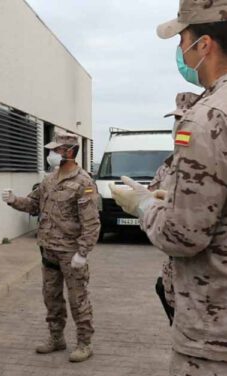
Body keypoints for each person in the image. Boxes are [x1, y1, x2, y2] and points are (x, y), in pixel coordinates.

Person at [111, 1, 227, 374]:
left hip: (213, 332)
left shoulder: (208, 116)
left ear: (204, 45)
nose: (180, 50)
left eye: (182, 39)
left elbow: (183, 236)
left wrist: (144, 205)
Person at [2, 131, 100, 362]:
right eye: (51, 150)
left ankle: (85, 343)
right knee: (51, 297)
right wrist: (14, 200)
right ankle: (56, 338)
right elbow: (34, 204)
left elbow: (91, 222)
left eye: (56, 150)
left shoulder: (83, 183)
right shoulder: (49, 179)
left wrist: (83, 252)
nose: (51, 154)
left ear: (70, 152)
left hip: (71, 252)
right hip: (48, 250)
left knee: (78, 299)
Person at [149, 91, 199, 326]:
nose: (178, 126)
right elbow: (151, 197)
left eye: (183, 120)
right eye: (175, 121)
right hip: (172, 265)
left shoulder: (210, 162)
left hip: (201, 274)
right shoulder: (166, 167)